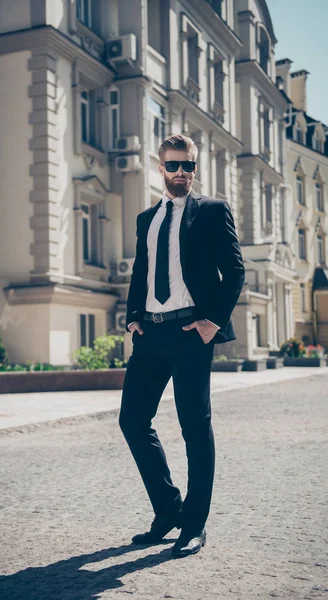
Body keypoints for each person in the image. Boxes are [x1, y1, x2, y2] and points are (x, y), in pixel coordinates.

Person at [119, 134, 245, 558]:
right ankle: (169, 509)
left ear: (195, 168)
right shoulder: (146, 219)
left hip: (192, 333)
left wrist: (213, 322)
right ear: (160, 168)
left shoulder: (211, 210)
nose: (181, 174)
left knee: (194, 428)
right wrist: (132, 316)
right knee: (132, 421)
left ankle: (194, 525)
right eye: (173, 166)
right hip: (151, 335)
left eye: (188, 166)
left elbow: (235, 269)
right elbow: (142, 272)